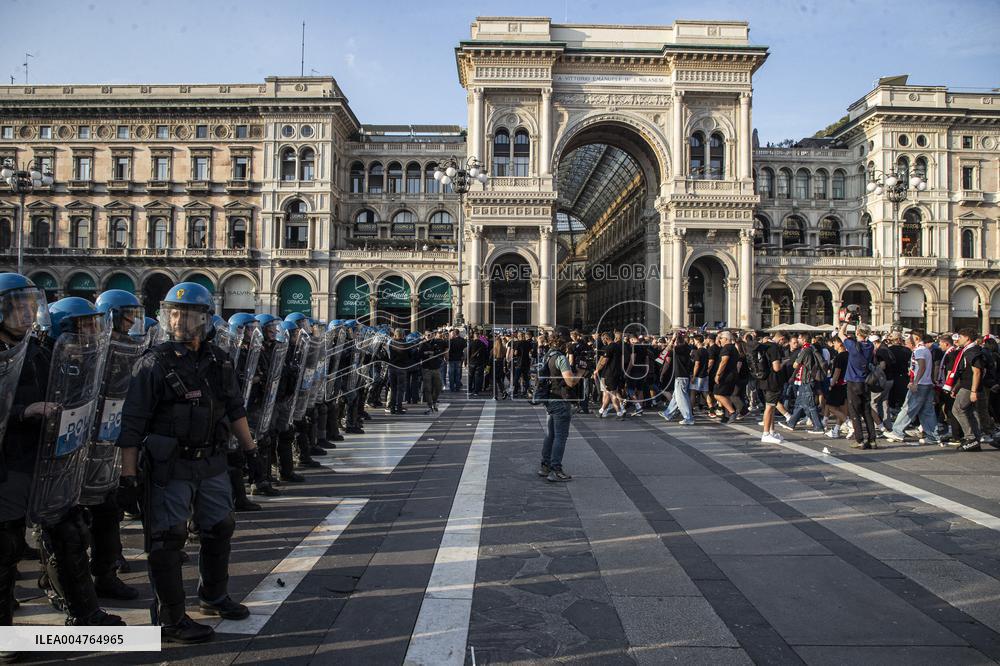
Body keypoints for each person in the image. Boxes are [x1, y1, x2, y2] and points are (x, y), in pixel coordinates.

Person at [118, 282, 258, 643]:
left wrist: (249, 447)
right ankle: (170, 618)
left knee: (220, 526)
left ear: (205, 318)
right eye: (174, 313)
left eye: (189, 313)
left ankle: (213, 595)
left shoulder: (219, 359)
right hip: (170, 466)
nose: (180, 320)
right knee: (167, 540)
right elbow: (132, 424)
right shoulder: (153, 362)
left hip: (211, 460)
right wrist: (128, 474)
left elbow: (234, 405)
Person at [3, 289, 126, 632]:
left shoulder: (40, 353)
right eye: (18, 308)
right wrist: (24, 412)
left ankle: (85, 613)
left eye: (31, 308)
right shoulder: (5, 358)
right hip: (9, 463)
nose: (27, 315)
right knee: (6, 549)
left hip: (48, 459)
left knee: (70, 534)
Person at [537, 329, 582, 482]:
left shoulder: (548, 354)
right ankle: (556, 469)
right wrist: (581, 373)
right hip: (561, 400)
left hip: (550, 398)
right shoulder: (561, 358)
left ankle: (545, 465)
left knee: (551, 434)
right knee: (560, 436)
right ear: (563, 342)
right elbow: (570, 381)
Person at [946, 328, 986, 452]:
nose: (958, 339)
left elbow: (977, 372)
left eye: (961, 337)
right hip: (965, 384)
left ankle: (971, 437)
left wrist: (974, 391)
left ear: (967, 338)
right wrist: (957, 387)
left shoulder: (972, 351)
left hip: (969, 386)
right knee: (969, 412)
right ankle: (975, 439)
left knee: (957, 409)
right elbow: (964, 371)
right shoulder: (968, 350)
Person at [779, 332, 826, 434]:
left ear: (804, 340)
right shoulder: (811, 349)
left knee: (811, 405)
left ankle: (818, 427)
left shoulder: (805, 350)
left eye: (799, 338)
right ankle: (791, 423)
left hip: (807, 380)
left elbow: (795, 365)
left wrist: (796, 362)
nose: (798, 340)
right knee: (800, 403)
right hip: (805, 380)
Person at [840, 321, 877, 449]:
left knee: (854, 411)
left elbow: (841, 334)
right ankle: (872, 439)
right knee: (867, 411)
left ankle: (859, 439)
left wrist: (846, 321)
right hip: (865, 381)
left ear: (857, 332)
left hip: (853, 381)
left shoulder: (853, 346)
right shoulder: (870, 346)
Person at [660, 331, 694, 425]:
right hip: (683, 376)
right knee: (676, 397)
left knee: (681, 398)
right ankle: (668, 413)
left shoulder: (679, 348)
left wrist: (673, 339)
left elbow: (665, 352)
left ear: (677, 342)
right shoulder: (686, 347)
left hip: (680, 376)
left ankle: (688, 418)